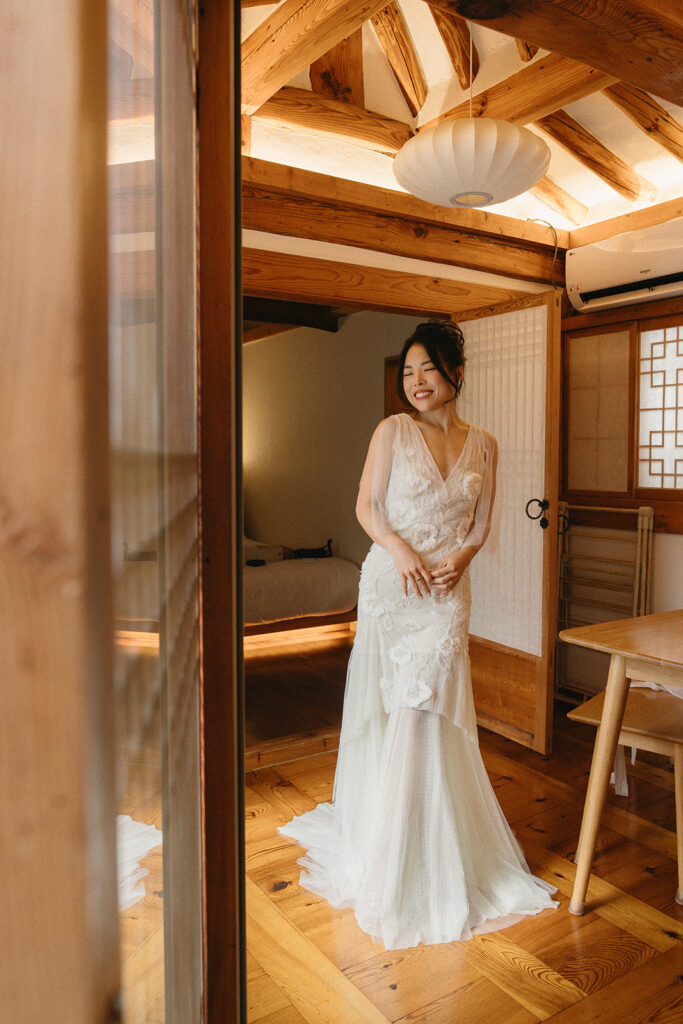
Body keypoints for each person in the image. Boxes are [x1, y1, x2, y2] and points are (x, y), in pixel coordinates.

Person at [279, 320, 557, 949]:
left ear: (455, 371)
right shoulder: (392, 431)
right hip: (393, 587)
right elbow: (366, 506)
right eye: (408, 371)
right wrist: (400, 550)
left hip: (445, 595)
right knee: (396, 711)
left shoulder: (484, 443)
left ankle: (427, 853)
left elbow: (481, 524)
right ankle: (393, 852)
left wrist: (462, 557)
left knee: (425, 711)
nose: (416, 381)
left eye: (427, 368)